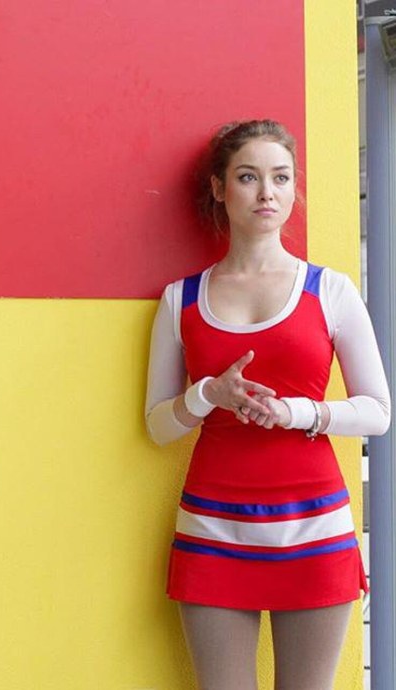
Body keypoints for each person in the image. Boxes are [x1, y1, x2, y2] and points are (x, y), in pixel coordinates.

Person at [145, 119, 391, 690]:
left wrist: (297, 413)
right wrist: (209, 394)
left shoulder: (331, 290)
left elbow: (378, 411)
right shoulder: (181, 298)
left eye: (280, 177)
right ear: (219, 188)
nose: (267, 193)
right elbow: (157, 425)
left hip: (315, 528)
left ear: (293, 186)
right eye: (248, 177)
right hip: (212, 529)